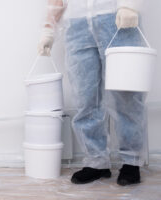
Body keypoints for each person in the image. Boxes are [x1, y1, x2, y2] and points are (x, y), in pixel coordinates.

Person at [38, 0, 146, 186]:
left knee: (125, 93)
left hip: (116, 16)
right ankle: (97, 161)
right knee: (85, 96)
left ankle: (131, 161)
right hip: (76, 24)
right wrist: (49, 27)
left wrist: (130, 4)